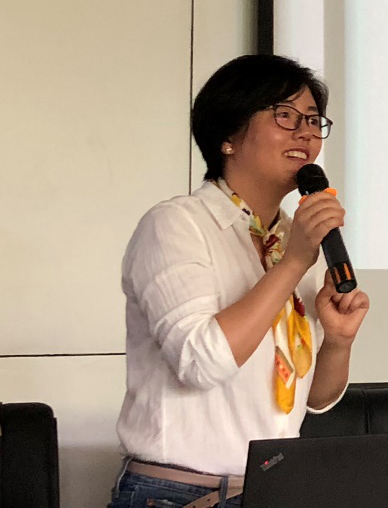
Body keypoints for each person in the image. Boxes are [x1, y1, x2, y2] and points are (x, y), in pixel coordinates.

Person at [108, 55, 371, 508]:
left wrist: (338, 343)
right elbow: (200, 364)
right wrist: (293, 264)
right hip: (179, 495)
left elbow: (313, 400)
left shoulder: (290, 237)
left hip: (269, 487)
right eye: (285, 115)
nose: (306, 133)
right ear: (227, 137)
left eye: (313, 120)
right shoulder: (176, 225)